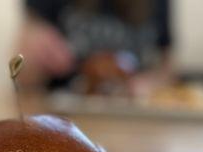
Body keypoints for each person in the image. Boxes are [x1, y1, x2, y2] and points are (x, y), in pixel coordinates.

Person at [17, 0, 173, 96]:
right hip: (63, 117)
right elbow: (24, 76)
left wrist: (150, 84)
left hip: (134, 118)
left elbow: (167, 65)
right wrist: (34, 56)